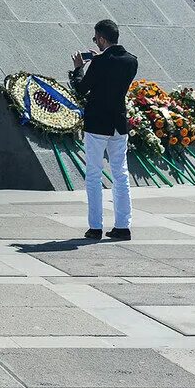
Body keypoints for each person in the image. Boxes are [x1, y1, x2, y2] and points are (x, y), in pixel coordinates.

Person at [70, 19, 139, 241]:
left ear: (101, 38)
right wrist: (98, 60)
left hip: (98, 123)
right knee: (121, 174)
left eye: (96, 39)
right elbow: (113, 75)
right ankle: (122, 226)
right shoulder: (131, 61)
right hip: (119, 123)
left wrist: (79, 68)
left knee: (93, 175)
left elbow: (82, 88)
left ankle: (95, 227)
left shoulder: (99, 63)